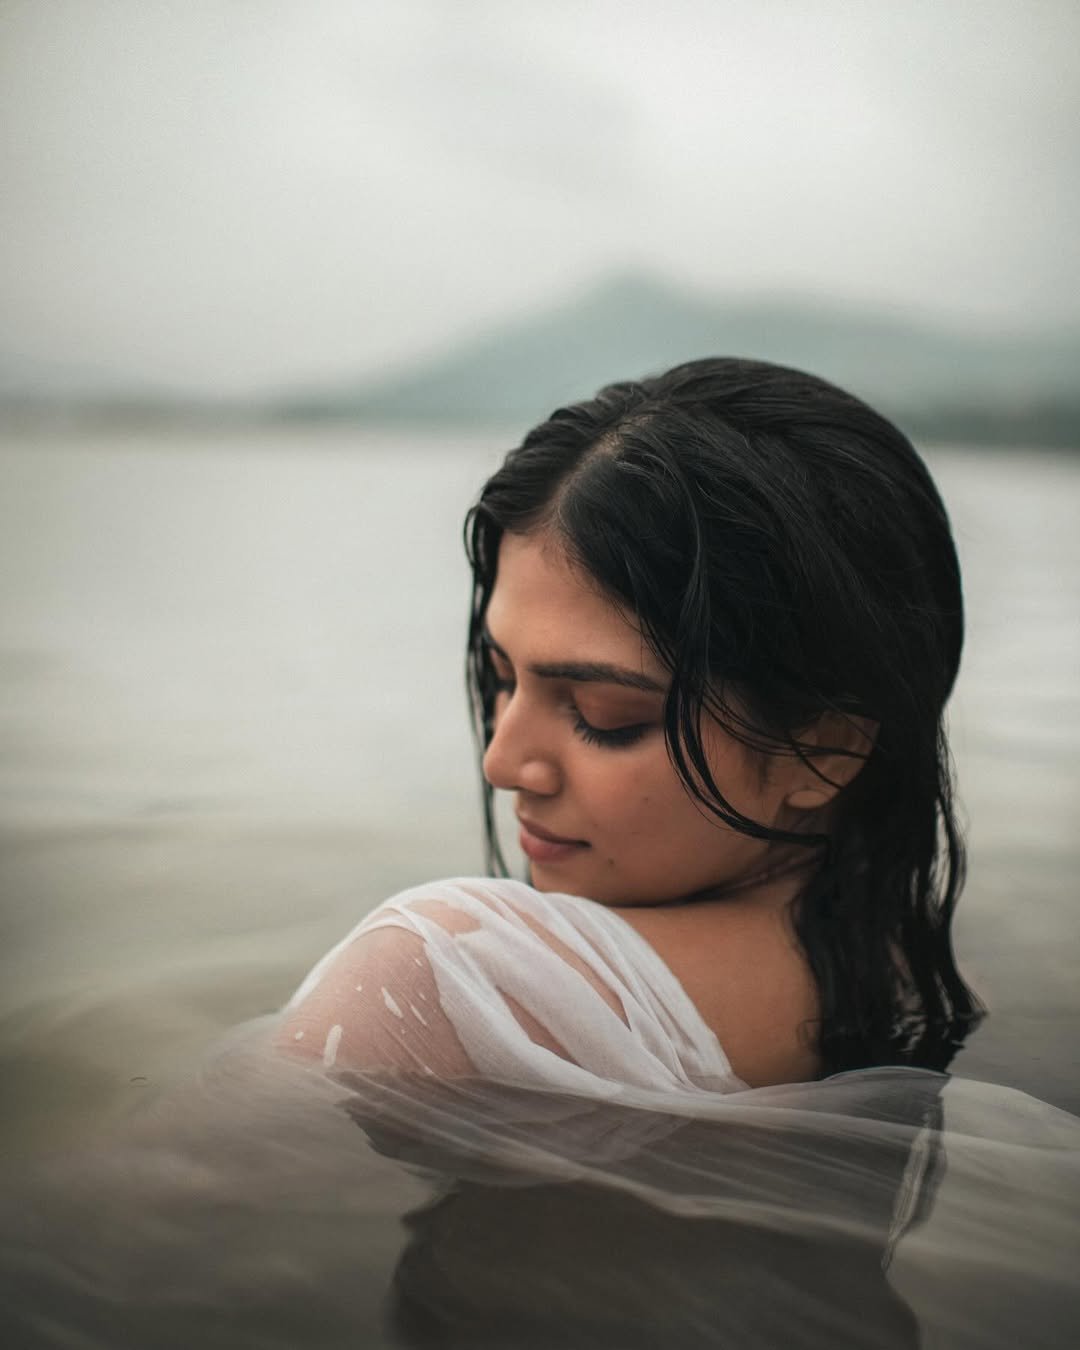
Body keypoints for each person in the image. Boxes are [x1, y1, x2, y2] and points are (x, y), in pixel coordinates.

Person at [277, 356, 982, 1093]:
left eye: (602, 716)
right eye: (501, 678)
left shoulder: (447, 977)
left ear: (820, 751)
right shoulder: (925, 983)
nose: (502, 762)